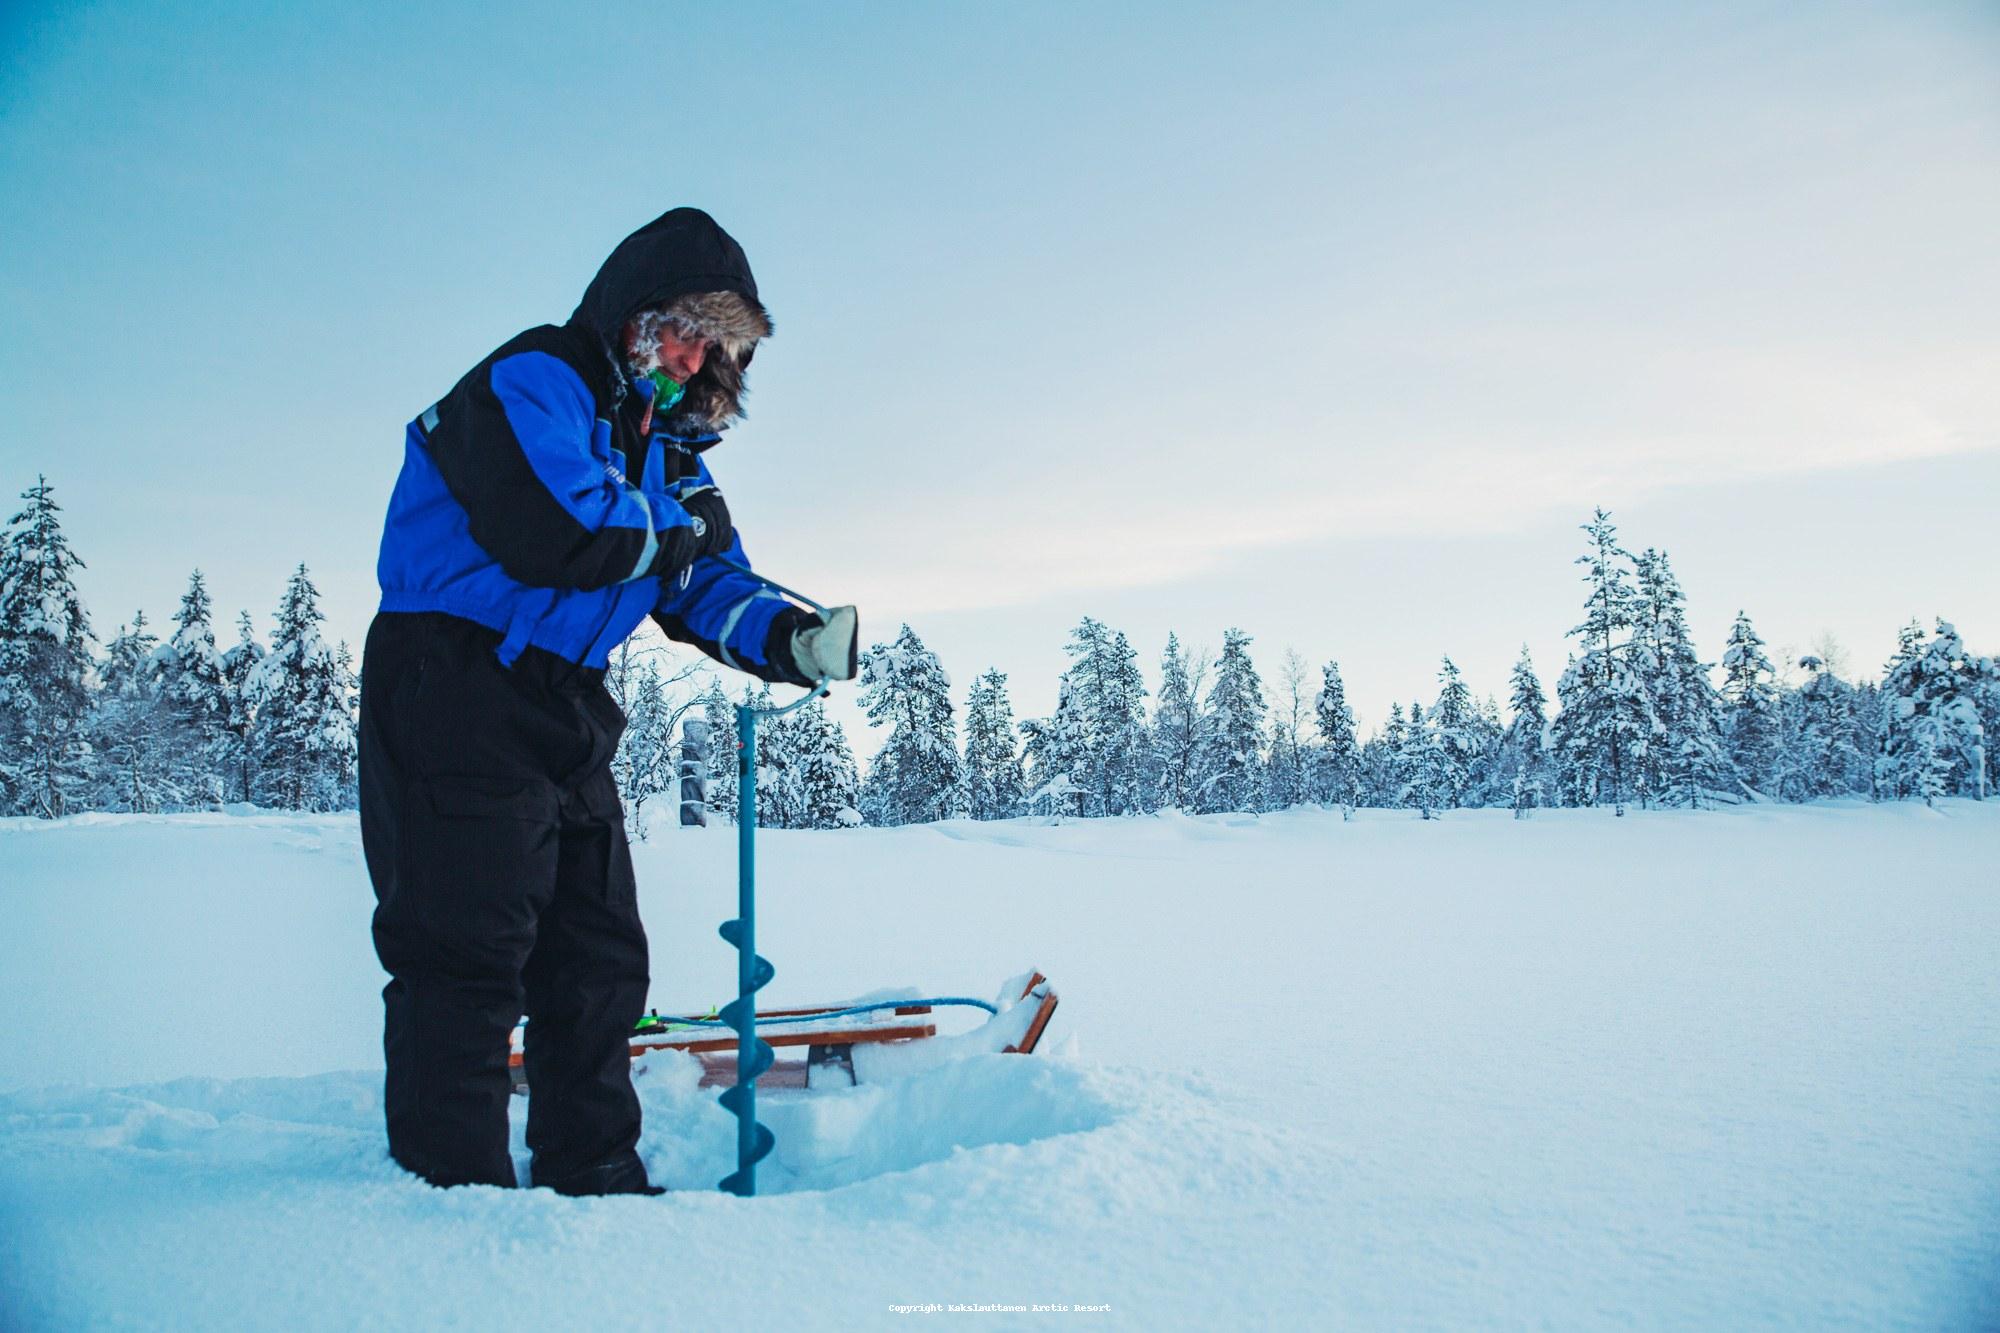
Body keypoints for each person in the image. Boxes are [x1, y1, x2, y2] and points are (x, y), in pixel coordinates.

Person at [358, 207, 857, 1195]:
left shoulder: (669, 459)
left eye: (710, 349)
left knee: (596, 957)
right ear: (631, 314)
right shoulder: (535, 377)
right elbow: (559, 528)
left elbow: (710, 583)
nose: (687, 359)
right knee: (465, 949)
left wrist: (790, 639)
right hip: (451, 677)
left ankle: (594, 1173)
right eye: (678, 328)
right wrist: (677, 532)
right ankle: (446, 1196)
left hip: (563, 697)